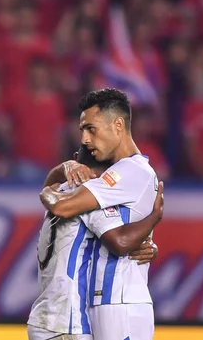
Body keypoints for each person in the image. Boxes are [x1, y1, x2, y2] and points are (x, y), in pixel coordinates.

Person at [39, 88, 160, 340]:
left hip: (122, 300)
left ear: (118, 125)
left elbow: (62, 205)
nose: (83, 138)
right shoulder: (113, 174)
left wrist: (152, 222)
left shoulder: (132, 170)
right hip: (100, 301)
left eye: (91, 129)